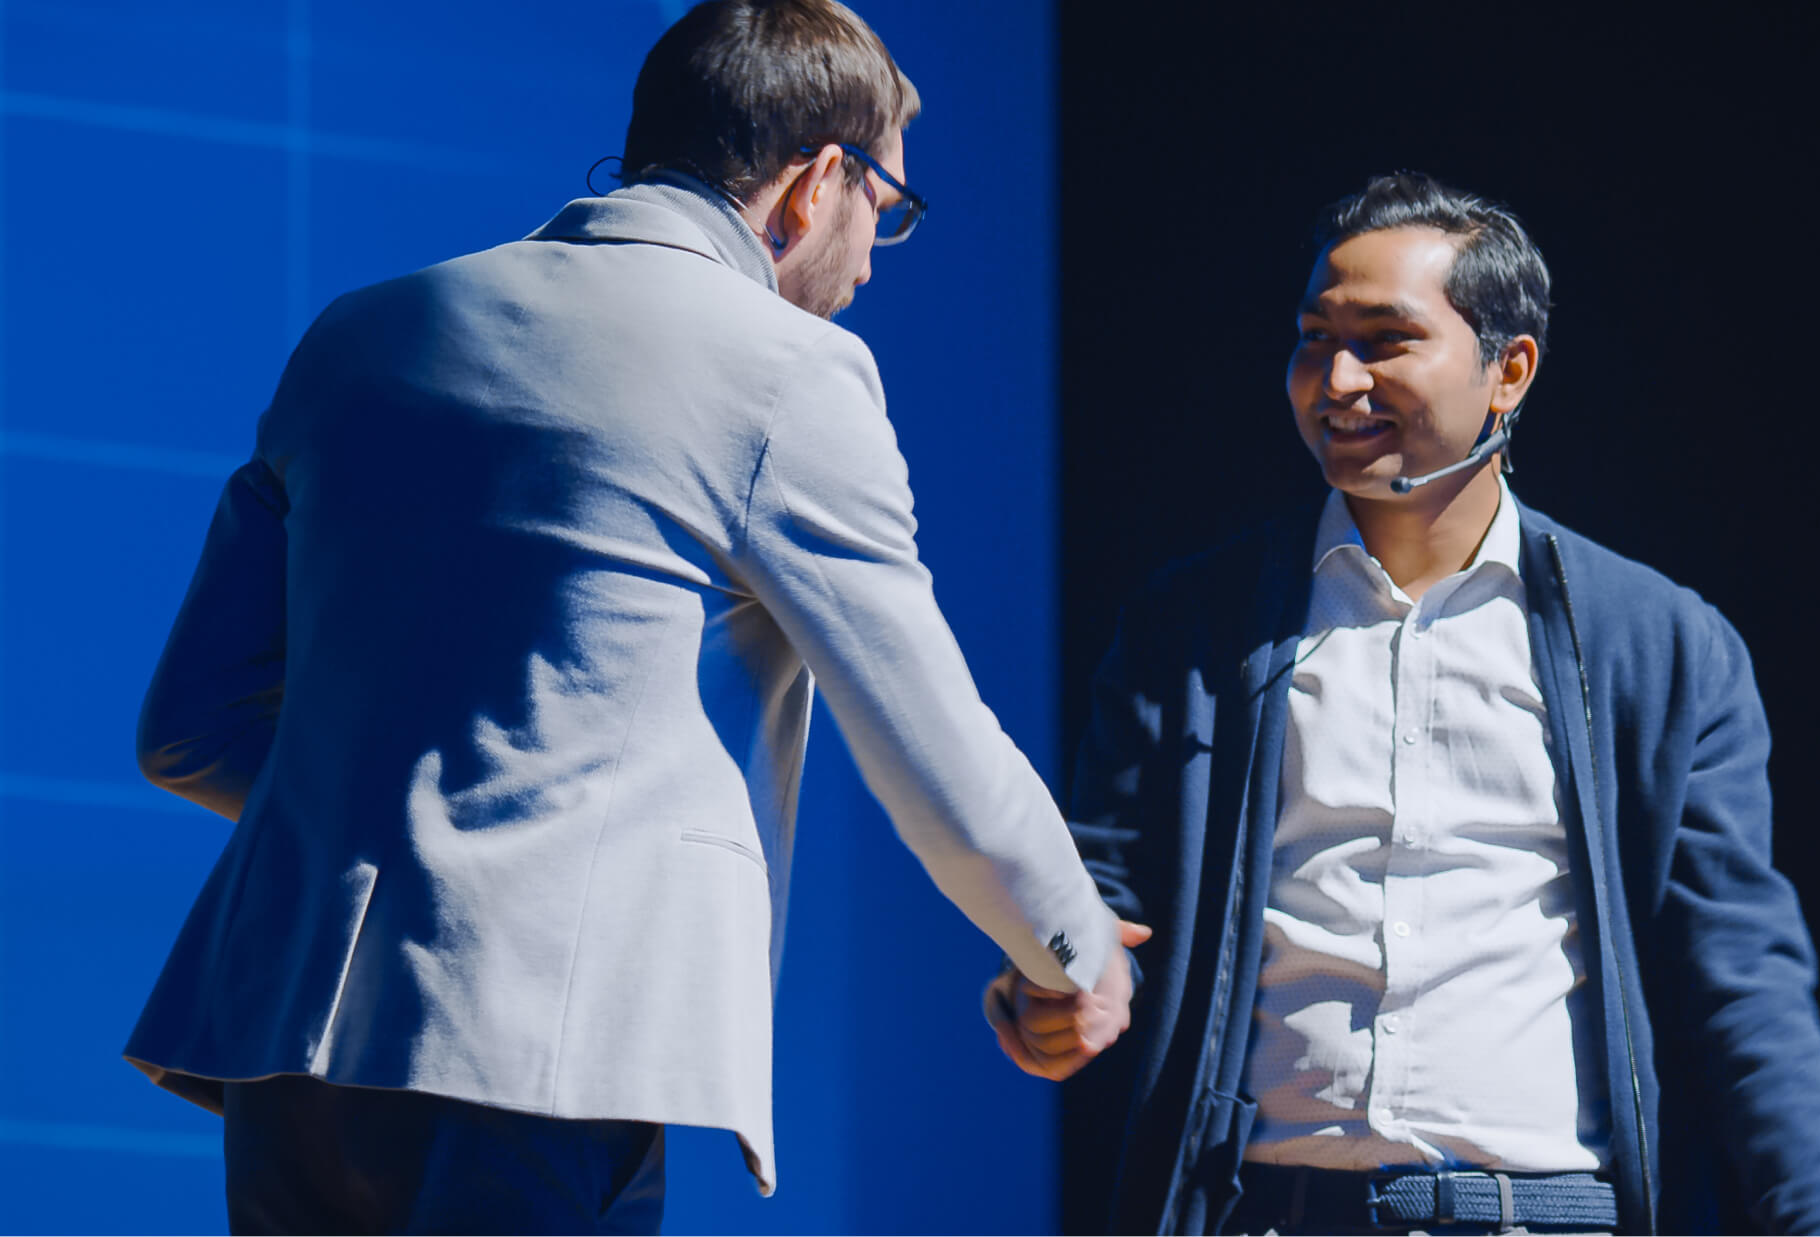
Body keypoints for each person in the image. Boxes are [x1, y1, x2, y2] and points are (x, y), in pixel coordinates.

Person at [123, 2, 1134, 1232]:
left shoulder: (360, 335)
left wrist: (408, 808)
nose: (874, 257)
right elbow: (932, 743)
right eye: (887, 207)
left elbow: (188, 726)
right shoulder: (783, 370)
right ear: (818, 183)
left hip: (283, 1044)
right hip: (535, 1047)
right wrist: (1076, 951)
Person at [988, 173, 1820, 1235]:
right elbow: (1103, 885)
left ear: (1510, 370)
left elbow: (1741, 984)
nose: (1338, 378)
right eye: (1315, 338)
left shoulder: (1658, 644)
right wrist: (1052, 980)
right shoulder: (1193, 628)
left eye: (1385, 339)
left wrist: (1819, 1219)